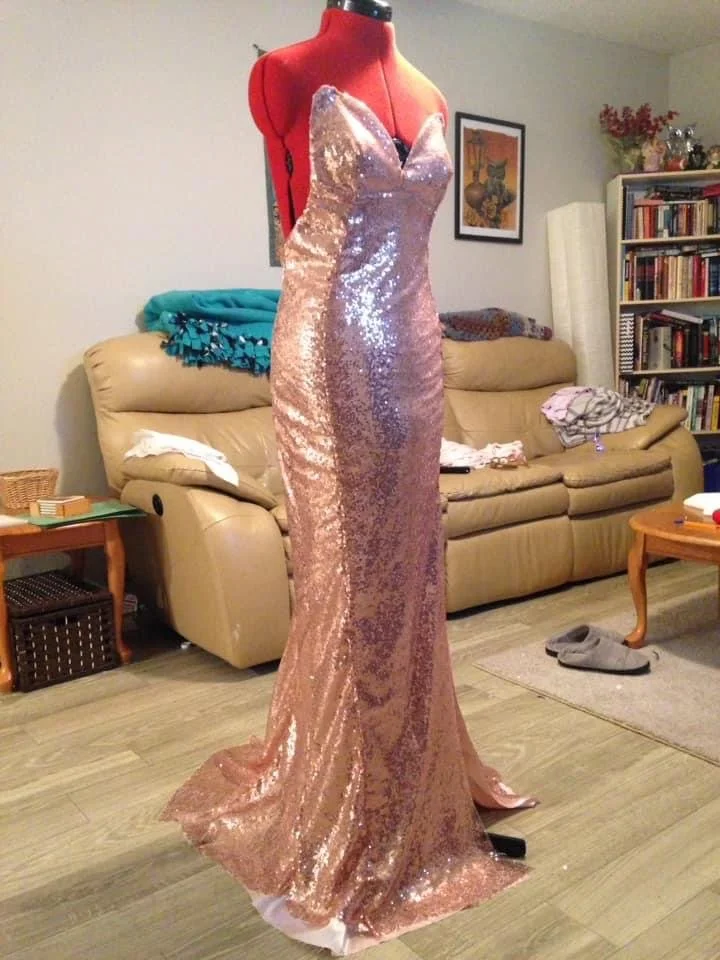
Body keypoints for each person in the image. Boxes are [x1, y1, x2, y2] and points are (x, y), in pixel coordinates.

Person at [162, 2, 536, 954]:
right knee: (349, 579)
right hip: (327, 349)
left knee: (411, 575)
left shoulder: (430, 92)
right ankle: (345, 803)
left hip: (414, 346)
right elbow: (301, 221)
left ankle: (413, 780)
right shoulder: (284, 73)